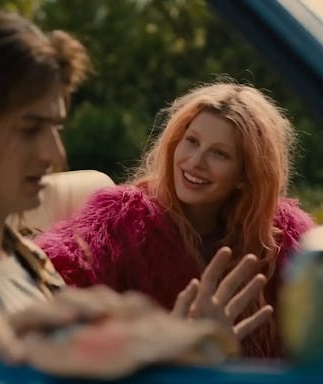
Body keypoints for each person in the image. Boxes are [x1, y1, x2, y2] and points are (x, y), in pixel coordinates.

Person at [0, 6, 272, 378]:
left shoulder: (32, 265)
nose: (55, 154)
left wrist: (177, 361)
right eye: (29, 129)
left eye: (56, 129)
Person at [37, 82, 315, 359]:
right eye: (192, 141)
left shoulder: (287, 239)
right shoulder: (119, 220)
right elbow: (45, 285)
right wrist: (165, 343)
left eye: (220, 153)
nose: (195, 161)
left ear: (245, 175)